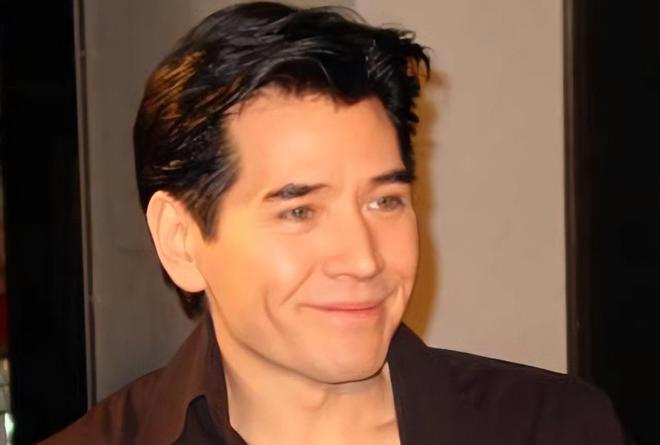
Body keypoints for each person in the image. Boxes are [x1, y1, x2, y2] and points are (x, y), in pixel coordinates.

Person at [43, 2, 625, 444]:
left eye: (384, 202)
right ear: (181, 240)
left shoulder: (554, 427)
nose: (364, 259)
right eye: (300, 211)